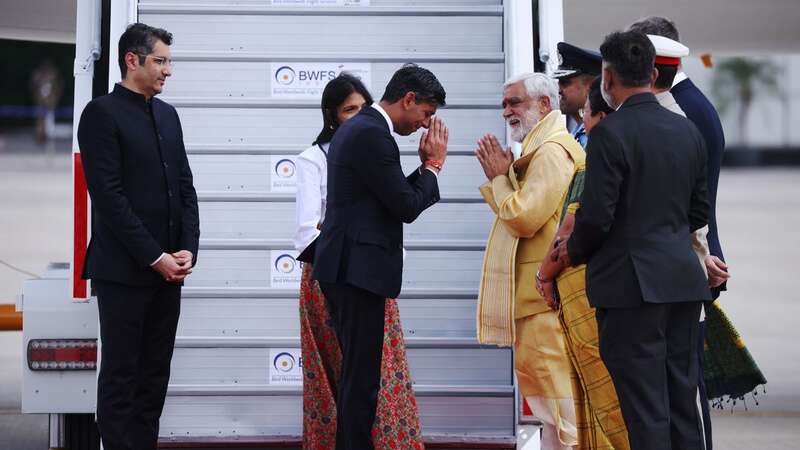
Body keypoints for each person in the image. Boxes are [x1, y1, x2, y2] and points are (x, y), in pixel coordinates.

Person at [550, 30, 711, 450]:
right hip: (682, 283)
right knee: (681, 406)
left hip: (630, 290)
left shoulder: (611, 133)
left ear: (606, 78)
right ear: (654, 72)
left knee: (644, 412)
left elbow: (597, 218)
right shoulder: (686, 130)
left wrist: (572, 251)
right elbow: (699, 213)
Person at [312, 64, 448, 450]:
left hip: (349, 269)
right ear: (409, 99)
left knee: (358, 377)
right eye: (426, 114)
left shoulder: (363, 128)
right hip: (356, 272)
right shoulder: (373, 134)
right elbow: (405, 206)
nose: (425, 125)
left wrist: (423, 172)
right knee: (361, 381)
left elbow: (385, 199)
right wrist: (432, 166)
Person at [77, 23, 199, 450]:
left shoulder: (168, 115)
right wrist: (155, 257)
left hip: (169, 273)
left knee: (154, 377)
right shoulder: (101, 114)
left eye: (169, 62)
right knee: (122, 378)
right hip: (124, 272)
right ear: (133, 60)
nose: (168, 71)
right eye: (160, 61)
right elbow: (108, 199)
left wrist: (187, 250)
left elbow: (184, 187)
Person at [474, 72, 584, 450]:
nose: (507, 111)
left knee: (562, 412)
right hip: (537, 301)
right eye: (504, 103)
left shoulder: (553, 150)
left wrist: (499, 179)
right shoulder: (540, 148)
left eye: (514, 102)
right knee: (550, 415)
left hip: (545, 303)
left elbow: (524, 217)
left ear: (544, 105)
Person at [536, 76, 629, 450]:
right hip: (627, 287)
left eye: (587, 115)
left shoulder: (596, 163)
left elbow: (575, 226)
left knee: (604, 394)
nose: (584, 124)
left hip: (587, 291)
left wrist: (545, 274)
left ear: (601, 118)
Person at [552, 42, 602, 147]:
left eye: (565, 83)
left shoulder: (600, 132)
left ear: (590, 86)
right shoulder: (576, 133)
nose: (559, 90)